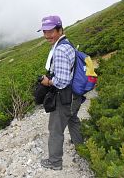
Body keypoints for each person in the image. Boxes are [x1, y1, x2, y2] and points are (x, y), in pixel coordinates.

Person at [37, 15, 83, 170]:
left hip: (64, 98)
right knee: (73, 119)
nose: (47, 36)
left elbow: (62, 81)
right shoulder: (67, 44)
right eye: (44, 32)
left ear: (60, 29)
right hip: (74, 96)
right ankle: (81, 148)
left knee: (55, 130)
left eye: (51, 32)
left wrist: (47, 81)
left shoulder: (60, 50)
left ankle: (55, 162)